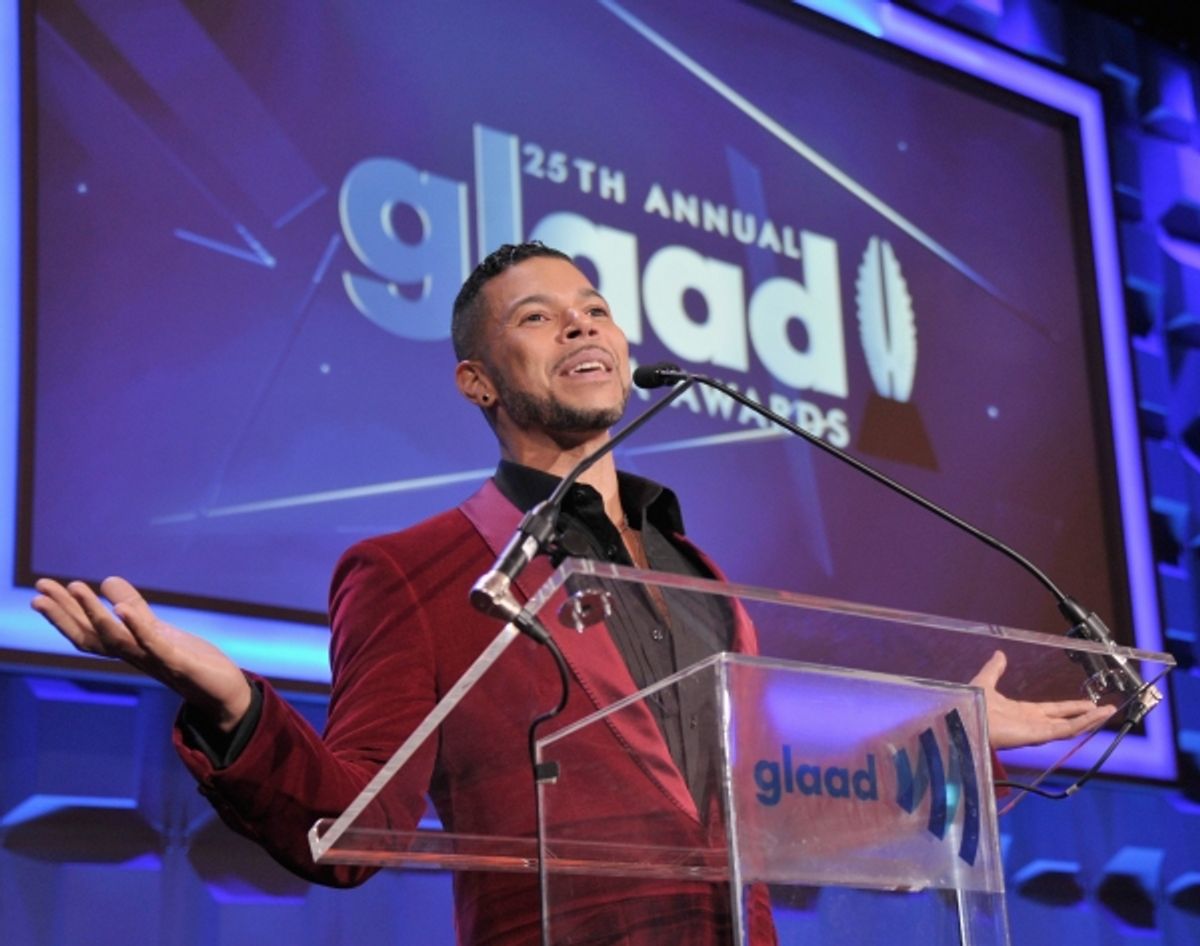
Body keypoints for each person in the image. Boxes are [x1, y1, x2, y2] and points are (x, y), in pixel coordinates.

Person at [31, 242, 1112, 945]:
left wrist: (954, 740)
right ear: (478, 380)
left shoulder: (697, 572)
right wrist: (233, 706)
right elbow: (353, 827)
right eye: (541, 318)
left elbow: (757, 810)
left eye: (595, 309)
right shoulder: (411, 570)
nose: (584, 327)